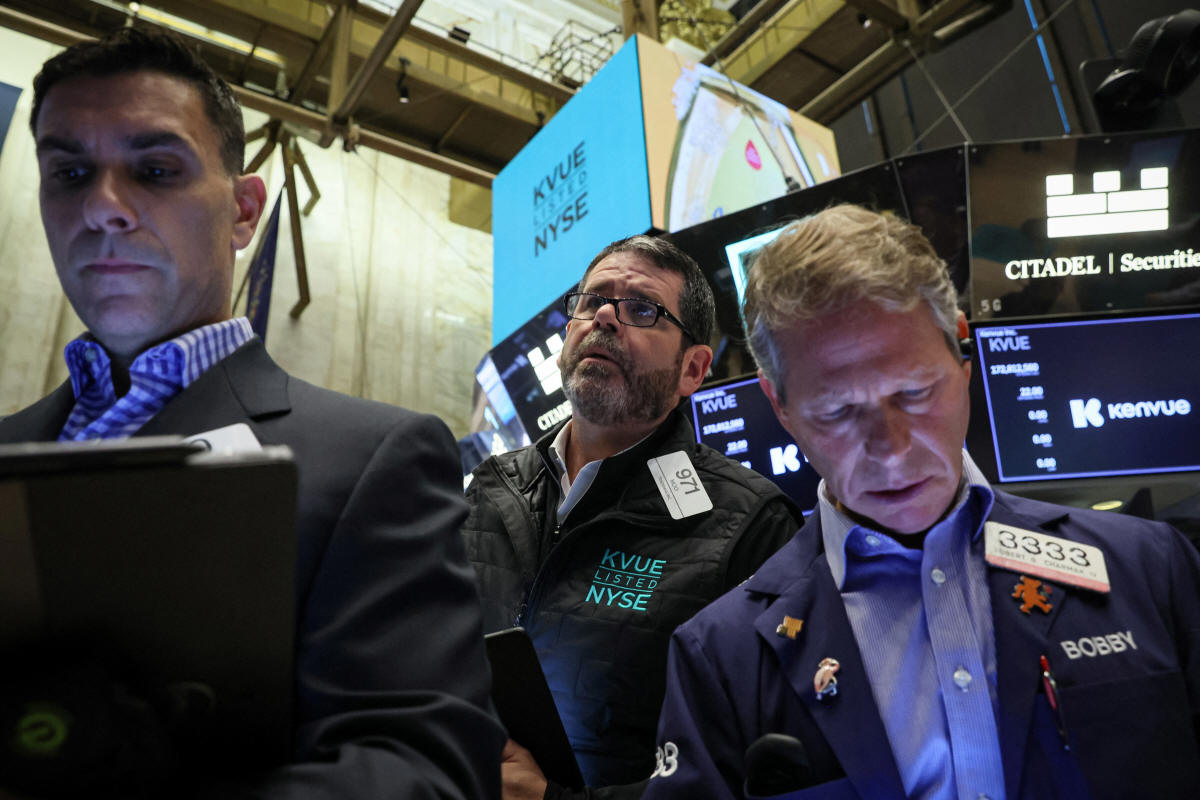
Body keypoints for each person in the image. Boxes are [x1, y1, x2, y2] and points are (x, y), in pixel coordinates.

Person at [0, 27, 503, 798]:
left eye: (155, 169)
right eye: (69, 173)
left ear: (242, 212)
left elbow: (425, 770)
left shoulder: (371, 458)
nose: (103, 207)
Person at [644, 204, 1200, 800]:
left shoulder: (1149, 570)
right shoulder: (721, 659)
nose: (891, 449)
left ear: (962, 352)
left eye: (914, 392)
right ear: (779, 405)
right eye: (837, 410)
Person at [463, 235, 801, 800]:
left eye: (642, 309)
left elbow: (759, 768)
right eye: (592, 300)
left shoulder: (751, 525)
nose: (603, 317)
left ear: (693, 369)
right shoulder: (489, 488)